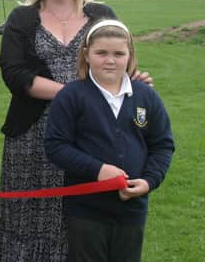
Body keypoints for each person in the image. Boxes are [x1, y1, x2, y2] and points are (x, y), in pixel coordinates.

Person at [0, 0, 151, 261]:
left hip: (91, 131)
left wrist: (135, 82)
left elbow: (119, 60)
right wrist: (73, 95)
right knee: (28, 216)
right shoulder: (22, 17)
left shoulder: (102, 15)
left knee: (83, 217)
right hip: (32, 134)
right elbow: (14, 72)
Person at [44, 19, 174, 262]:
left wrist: (149, 181)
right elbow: (56, 146)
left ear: (130, 55)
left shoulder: (146, 97)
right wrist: (98, 170)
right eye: (101, 53)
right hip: (86, 210)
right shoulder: (71, 96)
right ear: (86, 54)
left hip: (132, 208)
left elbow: (162, 145)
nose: (110, 60)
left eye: (118, 53)